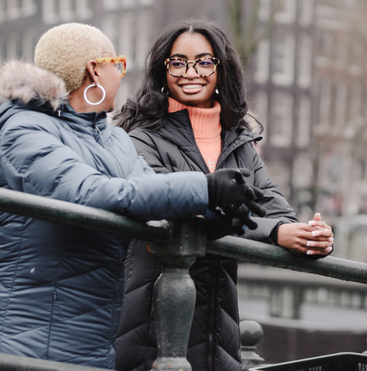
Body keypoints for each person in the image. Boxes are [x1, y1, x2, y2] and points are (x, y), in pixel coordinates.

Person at [0, 23, 262, 368]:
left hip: (93, 337)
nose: (121, 76)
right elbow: (87, 192)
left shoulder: (113, 140)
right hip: (24, 333)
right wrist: (205, 187)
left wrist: (220, 215)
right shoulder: (25, 128)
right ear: (94, 70)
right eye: (118, 65)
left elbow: (154, 205)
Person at [114, 20, 334, 371]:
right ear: (162, 70)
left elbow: (278, 212)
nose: (191, 73)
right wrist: (276, 233)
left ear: (220, 69)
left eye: (204, 61)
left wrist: (312, 236)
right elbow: (175, 213)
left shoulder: (239, 143)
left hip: (220, 328)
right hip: (152, 322)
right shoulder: (141, 137)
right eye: (178, 62)